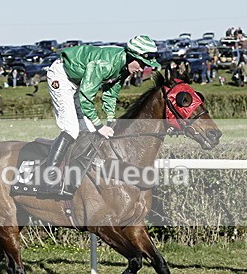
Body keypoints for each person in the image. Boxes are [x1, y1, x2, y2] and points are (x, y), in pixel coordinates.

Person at [37, 35, 161, 198]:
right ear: (132, 56)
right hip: (62, 76)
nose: (142, 69)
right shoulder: (106, 64)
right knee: (72, 129)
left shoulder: (123, 67)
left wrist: (110, 119)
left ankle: (73, 175)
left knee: (87, 131)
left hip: (78, 80)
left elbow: (110, 94)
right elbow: (86, 97)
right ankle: (49, 179)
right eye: (142, 64)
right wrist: (100, 126)